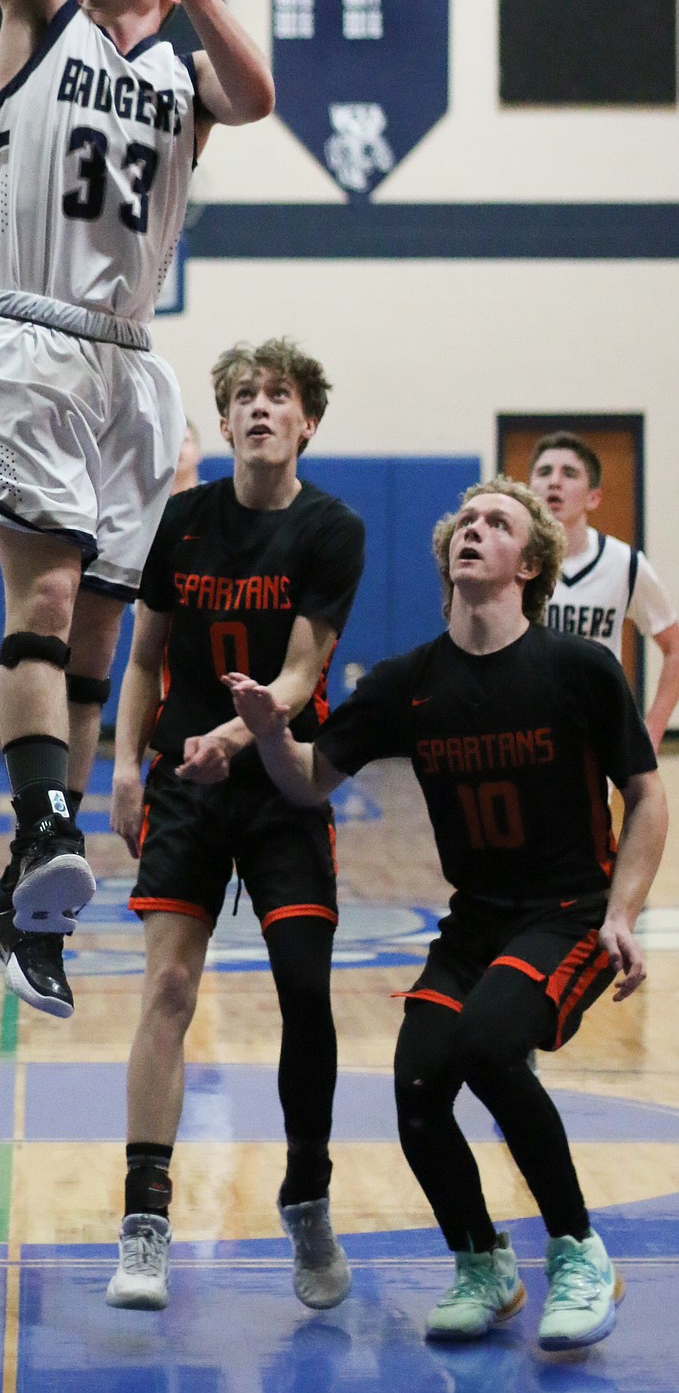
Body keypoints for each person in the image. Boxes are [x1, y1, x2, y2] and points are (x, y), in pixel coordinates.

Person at [0, 0, 275, 1020]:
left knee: (95, 640)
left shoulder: (184, 74)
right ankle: (41, 836)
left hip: (133, 363)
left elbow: (257, 97)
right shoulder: (41, 16)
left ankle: (29, 885)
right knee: (39, 597)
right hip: (31, 332)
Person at [227, 476, 667, 1353]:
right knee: (419, 1086)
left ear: (529, 561)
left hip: (568, 911)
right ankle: (482, 1261)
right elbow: (312, 777)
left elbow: (648, 797)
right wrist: (271, 731)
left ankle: (578, 1250)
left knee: (490, 1043)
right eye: (464, 522)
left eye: (495, 522)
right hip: (476, 923)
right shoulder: (408, 682)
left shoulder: (578, 668)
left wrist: (622, 911)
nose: (473, 530)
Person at [106, 339, 365, 1312]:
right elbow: (142, 661)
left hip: (286, 780)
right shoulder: (181, 522)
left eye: (280, 394)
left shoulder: (330, 530)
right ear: (225, 421)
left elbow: (298, 675)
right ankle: (143, 1223)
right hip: (188, 784)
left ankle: (307, 1198)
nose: (261, 407)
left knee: (306, 990)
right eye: (245, 395)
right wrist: (126, 762)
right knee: (167, 985)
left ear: (307, 420)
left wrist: (234, 731)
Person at [527, 430, 679, 748]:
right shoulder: (511, 561)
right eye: (544, 472)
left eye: (569, 473)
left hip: (594, 739)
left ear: (593, 497)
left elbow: (675, 649)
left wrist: (650, 734)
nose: (554, 482)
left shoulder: (625, 564)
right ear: (529, 490)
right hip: (525, 734)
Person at [170, 417, 201, 495]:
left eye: (185, 440)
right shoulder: (152, 502)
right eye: (172, 442)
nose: (179, 449)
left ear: (198, 453)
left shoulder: (213, 498)